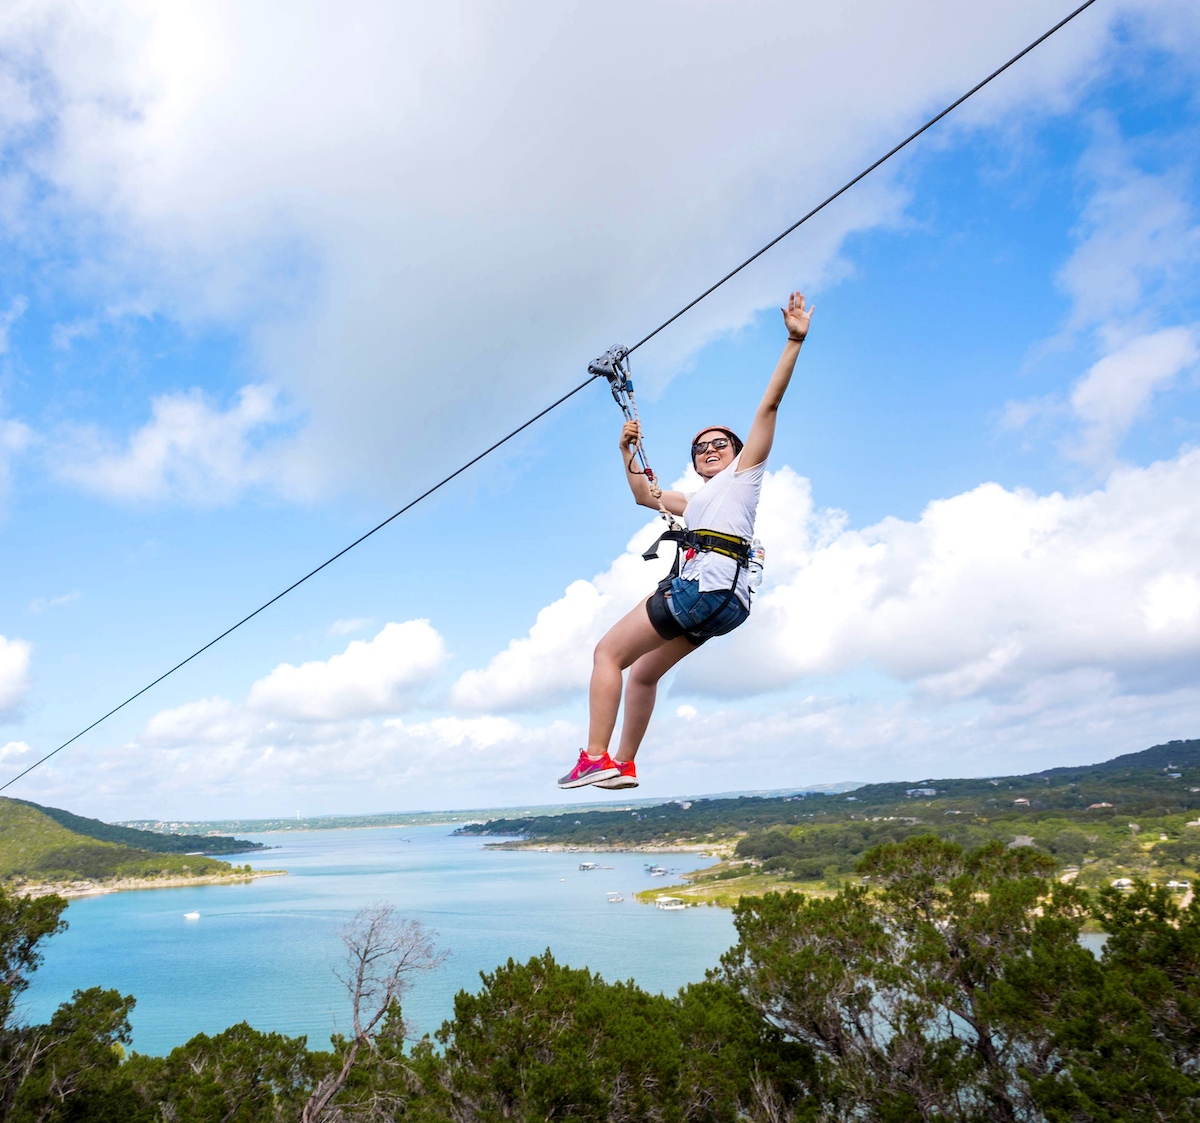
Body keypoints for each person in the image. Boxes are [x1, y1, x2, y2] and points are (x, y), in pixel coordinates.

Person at [558, 291, 814, 790]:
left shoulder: (744, 478)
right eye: (700, 449)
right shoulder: (696, 502)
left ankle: (593, 756)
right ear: (695, 463)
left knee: (607, 655)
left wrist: (793, 340)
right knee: (645, 674)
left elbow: (770, 405)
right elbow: (642, 495)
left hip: (703, 593)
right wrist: (627, 449)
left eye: (721, 443)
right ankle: (624, 764)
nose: (710, 449)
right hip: (728, 605)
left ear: (740, 453)